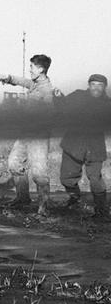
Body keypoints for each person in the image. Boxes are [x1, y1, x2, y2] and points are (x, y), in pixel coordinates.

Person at [0, 54, 54, 216]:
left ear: (40, 69)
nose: (30, 70)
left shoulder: (46, 90)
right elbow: (23, 81)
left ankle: (44, 206)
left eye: (32, 67)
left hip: (39, 136)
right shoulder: (35, 84)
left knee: (39, 172)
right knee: (14, 163)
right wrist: (7, 78)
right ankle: (22, 198)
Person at [55, 74, 110, 220]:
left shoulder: (108, 104)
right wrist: (58, 97)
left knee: (96, 180)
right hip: (73, 144)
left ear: (105, 87)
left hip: (95, 147)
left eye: (100, 85)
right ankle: (75, 200)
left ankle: (101, 211)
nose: (96, 88)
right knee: (66, 179)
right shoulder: (78, 96)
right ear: (89, 85)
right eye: (93, 84)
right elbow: (63, 106)